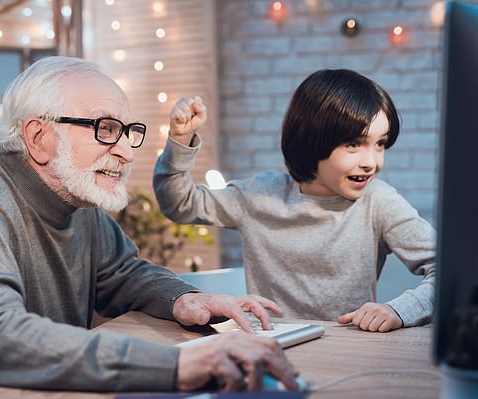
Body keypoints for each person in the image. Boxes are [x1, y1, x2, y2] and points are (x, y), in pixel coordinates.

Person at [0, 56, 299, 399]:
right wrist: (178, 364)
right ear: (39, 137)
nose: (124, 150)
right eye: (105, 129)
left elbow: (122, 273)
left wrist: (185, 298)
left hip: (39, 398)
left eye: (127, 132)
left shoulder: (75, 193)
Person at [153, 69, 435, 333]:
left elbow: (451, 273)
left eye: (380, 143)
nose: (372, 162)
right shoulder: (257, 197)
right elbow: (179, 203)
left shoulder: (379, 202)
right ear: (312, 140)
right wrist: (180, 140)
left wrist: (398, 311)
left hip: (349, 350)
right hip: (270, 343)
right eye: (354, 144)